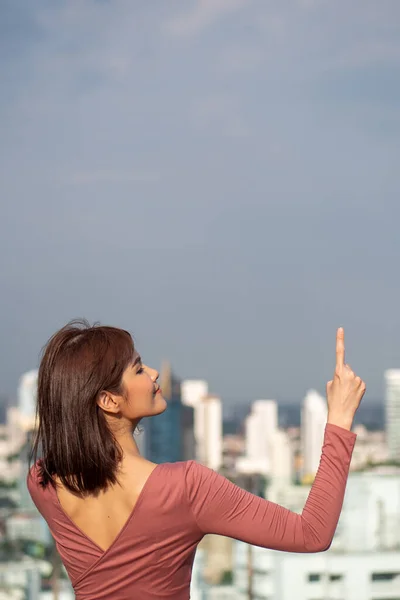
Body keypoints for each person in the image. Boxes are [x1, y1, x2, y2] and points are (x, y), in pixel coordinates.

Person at [27, 320, 365, 600]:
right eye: (138, 369)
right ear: (108, 400)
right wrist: (339, 420)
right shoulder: (184, 489)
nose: (155, 373)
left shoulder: (43, 483)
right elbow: (312, 533)